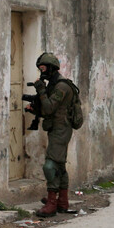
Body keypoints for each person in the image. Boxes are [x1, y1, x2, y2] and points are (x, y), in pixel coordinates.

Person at [32, 53, 77, 217]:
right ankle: (62, 202)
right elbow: (48, 109)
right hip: (57, 128)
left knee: (50, 166)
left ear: (51, 68)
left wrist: (42, 91)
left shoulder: (61, 87)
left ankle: (51, 203)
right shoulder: (55, 84)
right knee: (60, 166)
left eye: (43, 68)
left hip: (61, 130)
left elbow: (50, 107)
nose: (41, 71)